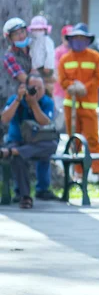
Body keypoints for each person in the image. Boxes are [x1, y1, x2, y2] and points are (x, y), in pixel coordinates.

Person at [2, 17, 56, 201]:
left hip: (38, 100)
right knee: (18, 140)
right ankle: (22, 193)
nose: (21, 36)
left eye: (23, 32)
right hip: (19, 100)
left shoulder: (35, 48)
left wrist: (42, 86)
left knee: (47, 142)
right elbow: (26, 78)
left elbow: (48, 70)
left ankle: (42, 188)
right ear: (10, 38)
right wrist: (26, 94)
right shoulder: (10, 57)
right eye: (16, 34)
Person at [58, 23, 99, 183]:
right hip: (70, 106)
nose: (79, 41)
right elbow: (62, 79)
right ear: (70, 40)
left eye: (82, 38)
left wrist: (84, 88)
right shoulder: (65, 59)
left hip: (88, 105)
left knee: (92, 139)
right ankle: (77, 173)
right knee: (74, 140)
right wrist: (72, 86)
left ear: (88, 40)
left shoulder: (95, 57)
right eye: (75, 38)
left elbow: (98, 78)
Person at [0, 76, 58, 209]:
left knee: (52, 145)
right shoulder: (15, 99)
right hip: (17, 141)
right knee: (18, 156)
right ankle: (25, 196)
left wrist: (34, 104)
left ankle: (12, 152)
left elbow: (45, 123)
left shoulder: (47, 102)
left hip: (39, 143)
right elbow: (4, 119)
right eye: (33, 88)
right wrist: (18, 99)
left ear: (44, 89)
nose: (36, 91)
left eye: (40, 88)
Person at [53, 25, 73, 132]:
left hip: (73, 91)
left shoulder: (77, 52)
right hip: (60, 90)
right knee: (59, 116)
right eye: (67, 37)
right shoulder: (58, 52)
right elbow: (56, 71)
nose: (69, 40)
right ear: (62, 37)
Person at [27, 15, 55, 85]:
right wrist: (33, 67)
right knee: (36, 85)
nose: (37, 31)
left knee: (45, 85)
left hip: (45, 68)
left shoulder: (47, 40)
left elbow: (50, 54)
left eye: (40, 29)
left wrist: (47, 66)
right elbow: (33, 55)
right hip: (36, 68)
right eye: (35, 29)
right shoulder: (33, 42)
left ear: (45, 30)